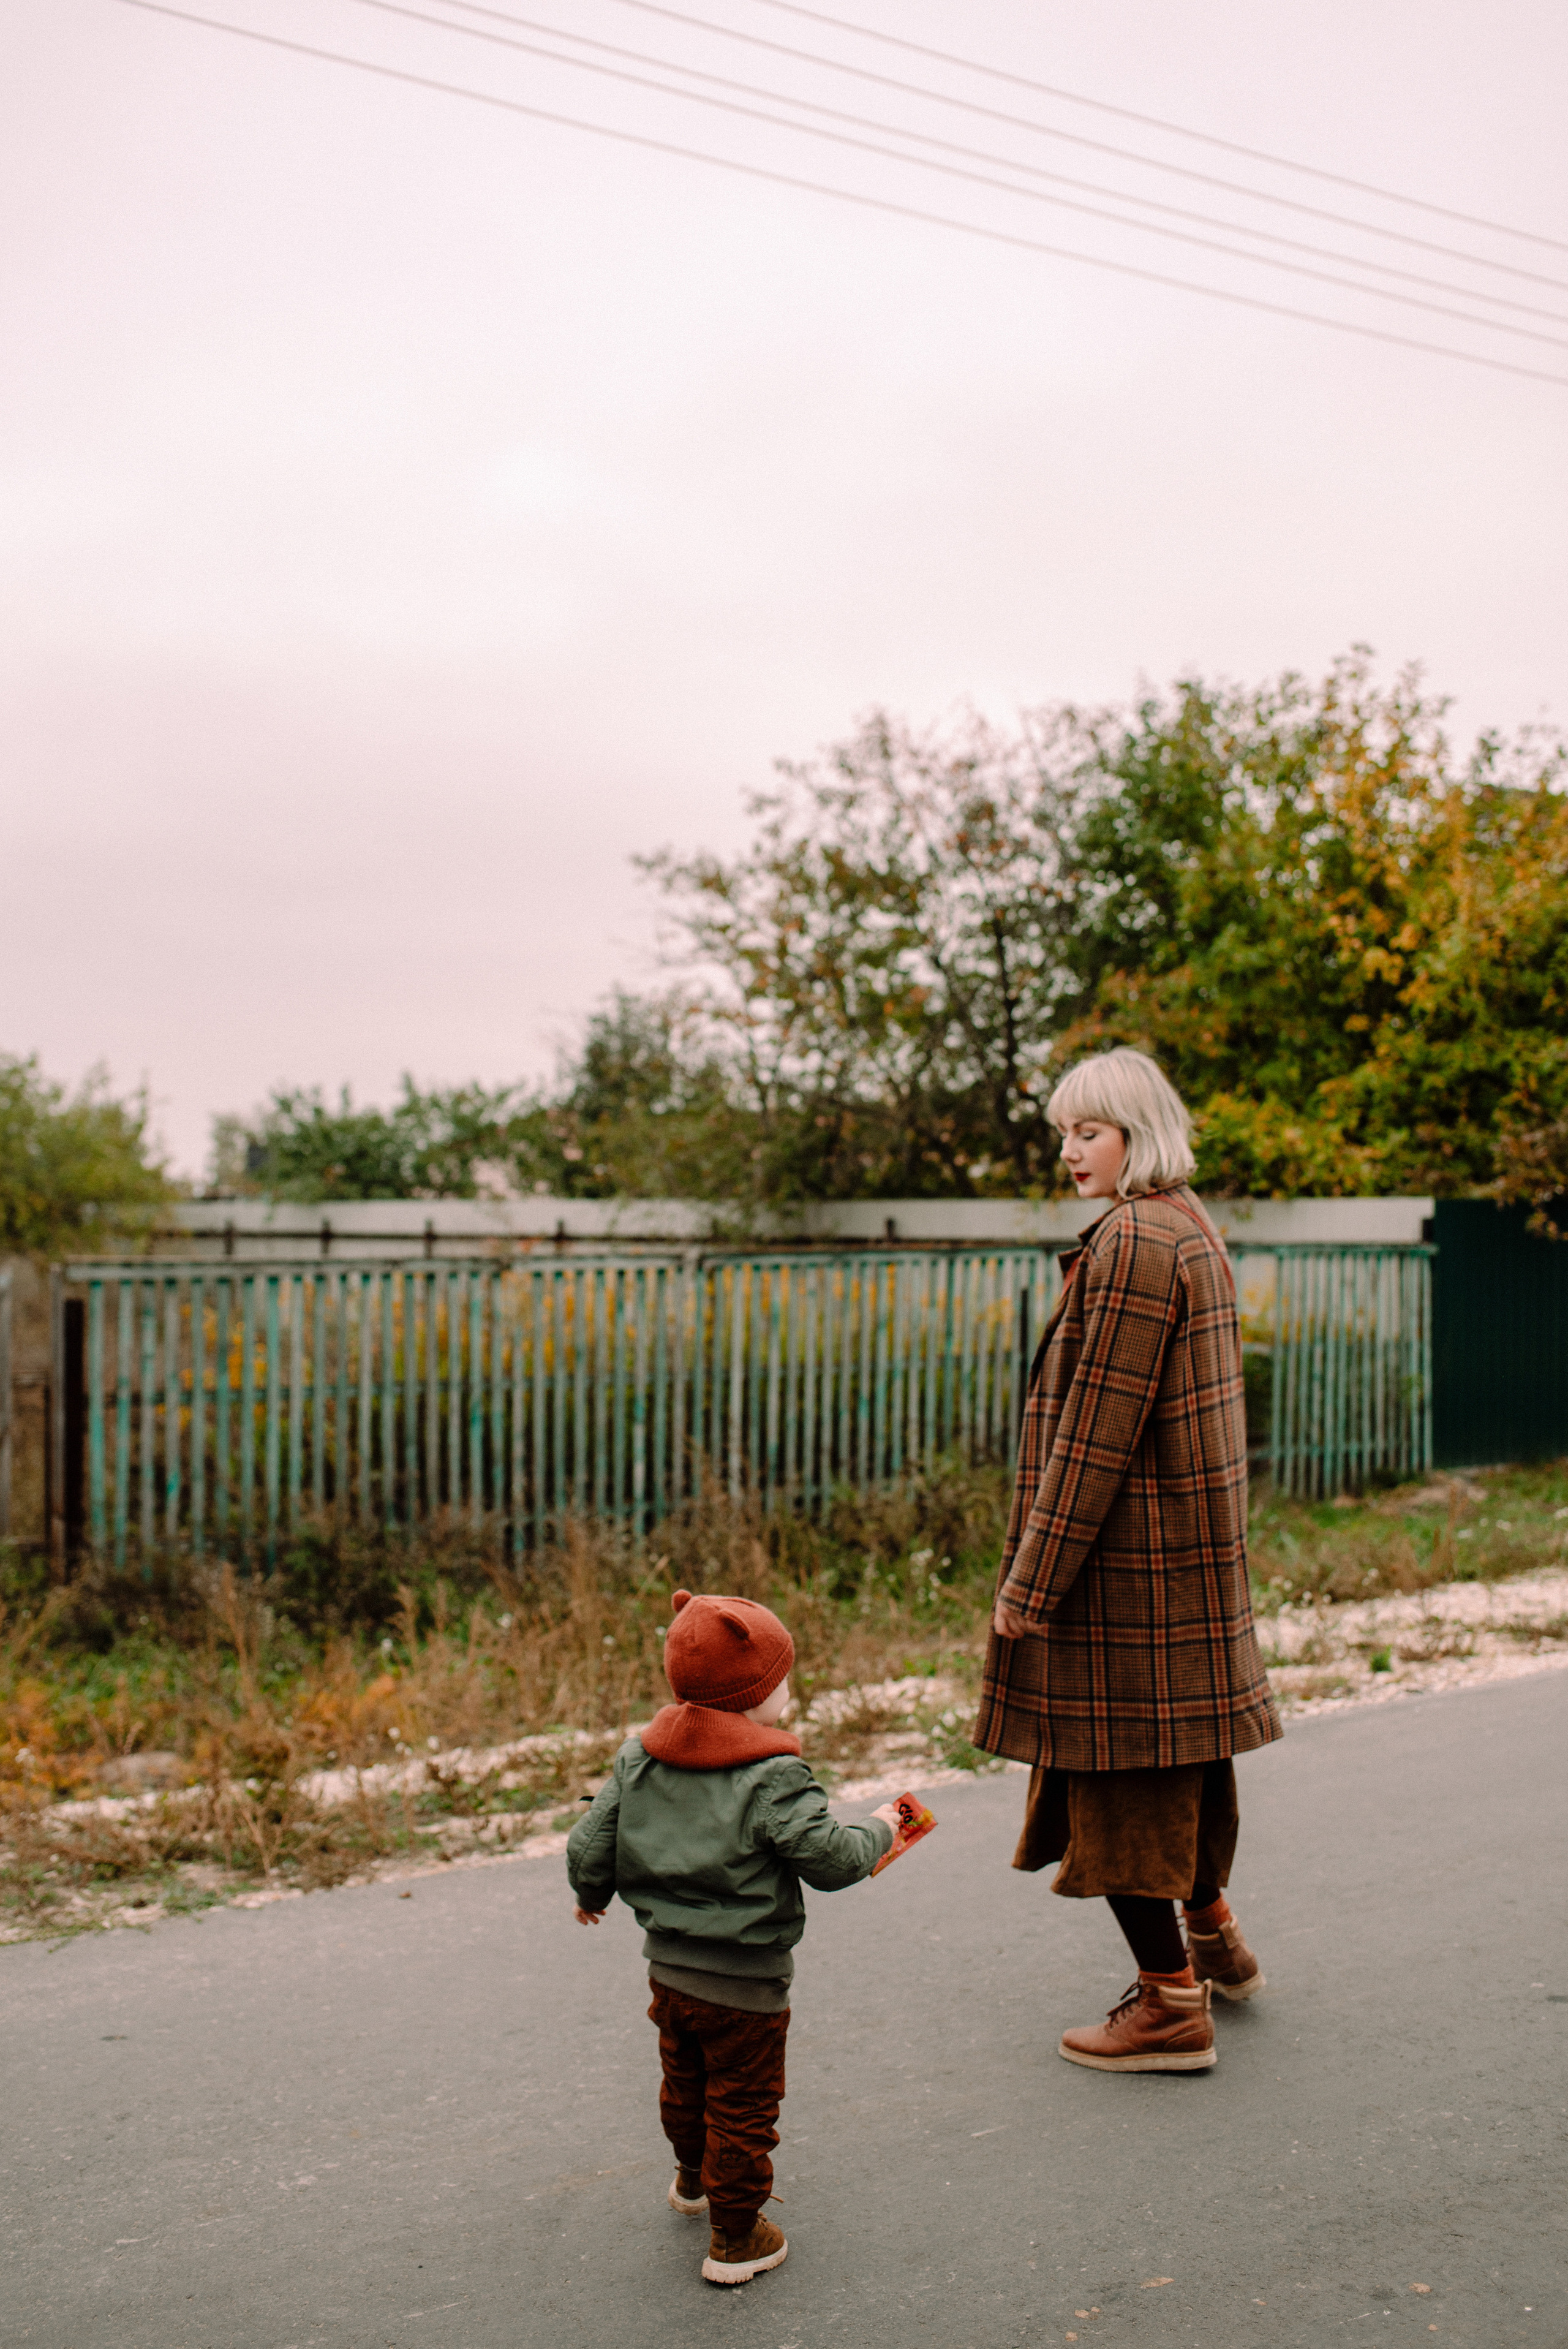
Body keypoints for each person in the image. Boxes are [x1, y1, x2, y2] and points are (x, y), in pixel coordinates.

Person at [974, 1046, 1282, 2073]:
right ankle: (1216, 1943)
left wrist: (1030, 1582)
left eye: (1089, 1130)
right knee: (1181, 1762)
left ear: (1136, 1133)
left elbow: (1098, 1436)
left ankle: (1169, 2004)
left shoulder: (1138, 1242)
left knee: (1120, 1782)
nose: (1069, 1150)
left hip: (1127, 1573)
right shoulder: (1185, 1223)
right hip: (1180, 1562)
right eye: (1064, 1131)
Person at [567, 1588, 903, 2285]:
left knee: (684, 2082)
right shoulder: (773, 1777)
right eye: (784, 1677)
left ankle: (692, 2180)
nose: (789, 1688)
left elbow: (589, 1841)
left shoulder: (639, 1758)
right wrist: (885, 1827)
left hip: (668, 1972)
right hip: (747, 1988)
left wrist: (590, 1894)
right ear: (755, 1694)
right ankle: (737, 2237)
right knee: (743, 2105)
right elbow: (834, 1861)